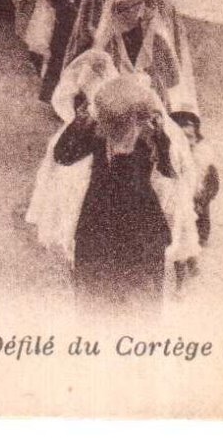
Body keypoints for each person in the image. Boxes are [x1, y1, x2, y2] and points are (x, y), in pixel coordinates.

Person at [52, 74, 175, 315]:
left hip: (128, 222)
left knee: (135, 295)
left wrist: (160, 137)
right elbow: (63, 155)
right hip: (108, 221)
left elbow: (168, 170)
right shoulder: (100, 135)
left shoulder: (148, 136)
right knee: (100, 293)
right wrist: (78, 124)